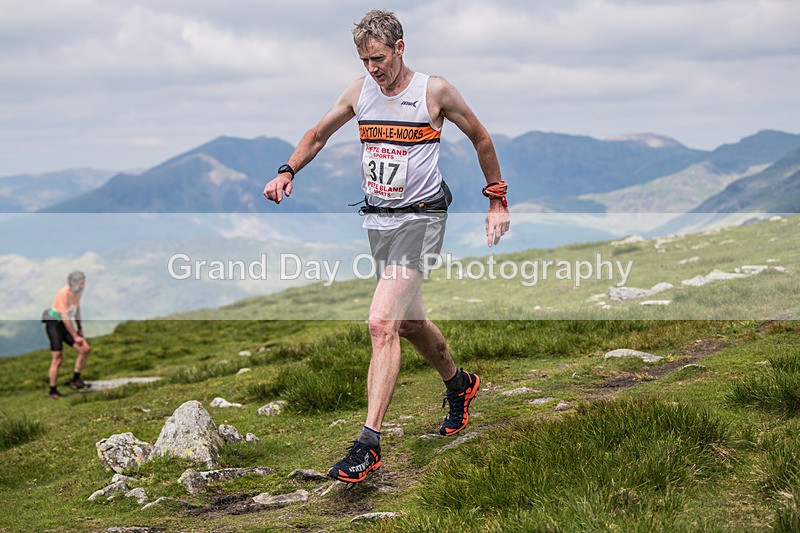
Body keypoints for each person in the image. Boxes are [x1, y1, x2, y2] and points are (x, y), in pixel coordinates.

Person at [262, 10, 510, 483]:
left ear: (400, 47)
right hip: (379, 222)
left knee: (380, 323)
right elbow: (317, 135)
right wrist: (287, 171)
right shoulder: (360, 92)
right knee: (408, 321)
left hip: (423, 218)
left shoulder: (433, 92)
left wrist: (497, 200)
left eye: (378, 58)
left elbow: (480, 136)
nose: (373, 69)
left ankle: (368, 444)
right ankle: (461, 384)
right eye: (364, 60)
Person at [43, 271, 91, 398]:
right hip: (54, 323)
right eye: (81, 283)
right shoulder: (63, 293)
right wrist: (75, 336)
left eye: (84, 282)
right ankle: (52, 390)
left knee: (84, 349)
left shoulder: (78, 292)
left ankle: (76, 380)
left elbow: (76, 309)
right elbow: (65, 317)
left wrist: (80, 328)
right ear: (73, 283)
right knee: (57, 358)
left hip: (65, 324)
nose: (83, 285)